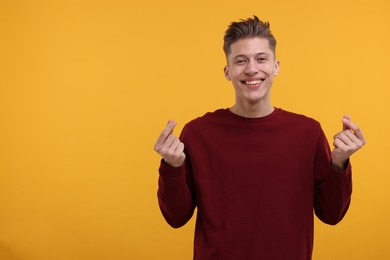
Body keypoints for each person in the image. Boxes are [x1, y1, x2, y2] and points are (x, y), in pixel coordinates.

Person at [153, 16, 365, 260]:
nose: (251, 69)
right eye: (240, 61)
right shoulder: (197, 133)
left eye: (261, 59)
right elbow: (176, 217)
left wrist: (339, 164)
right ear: (227, 71)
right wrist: (172, 167)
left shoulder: (308, 133)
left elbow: (331, 214)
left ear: (276, 66)